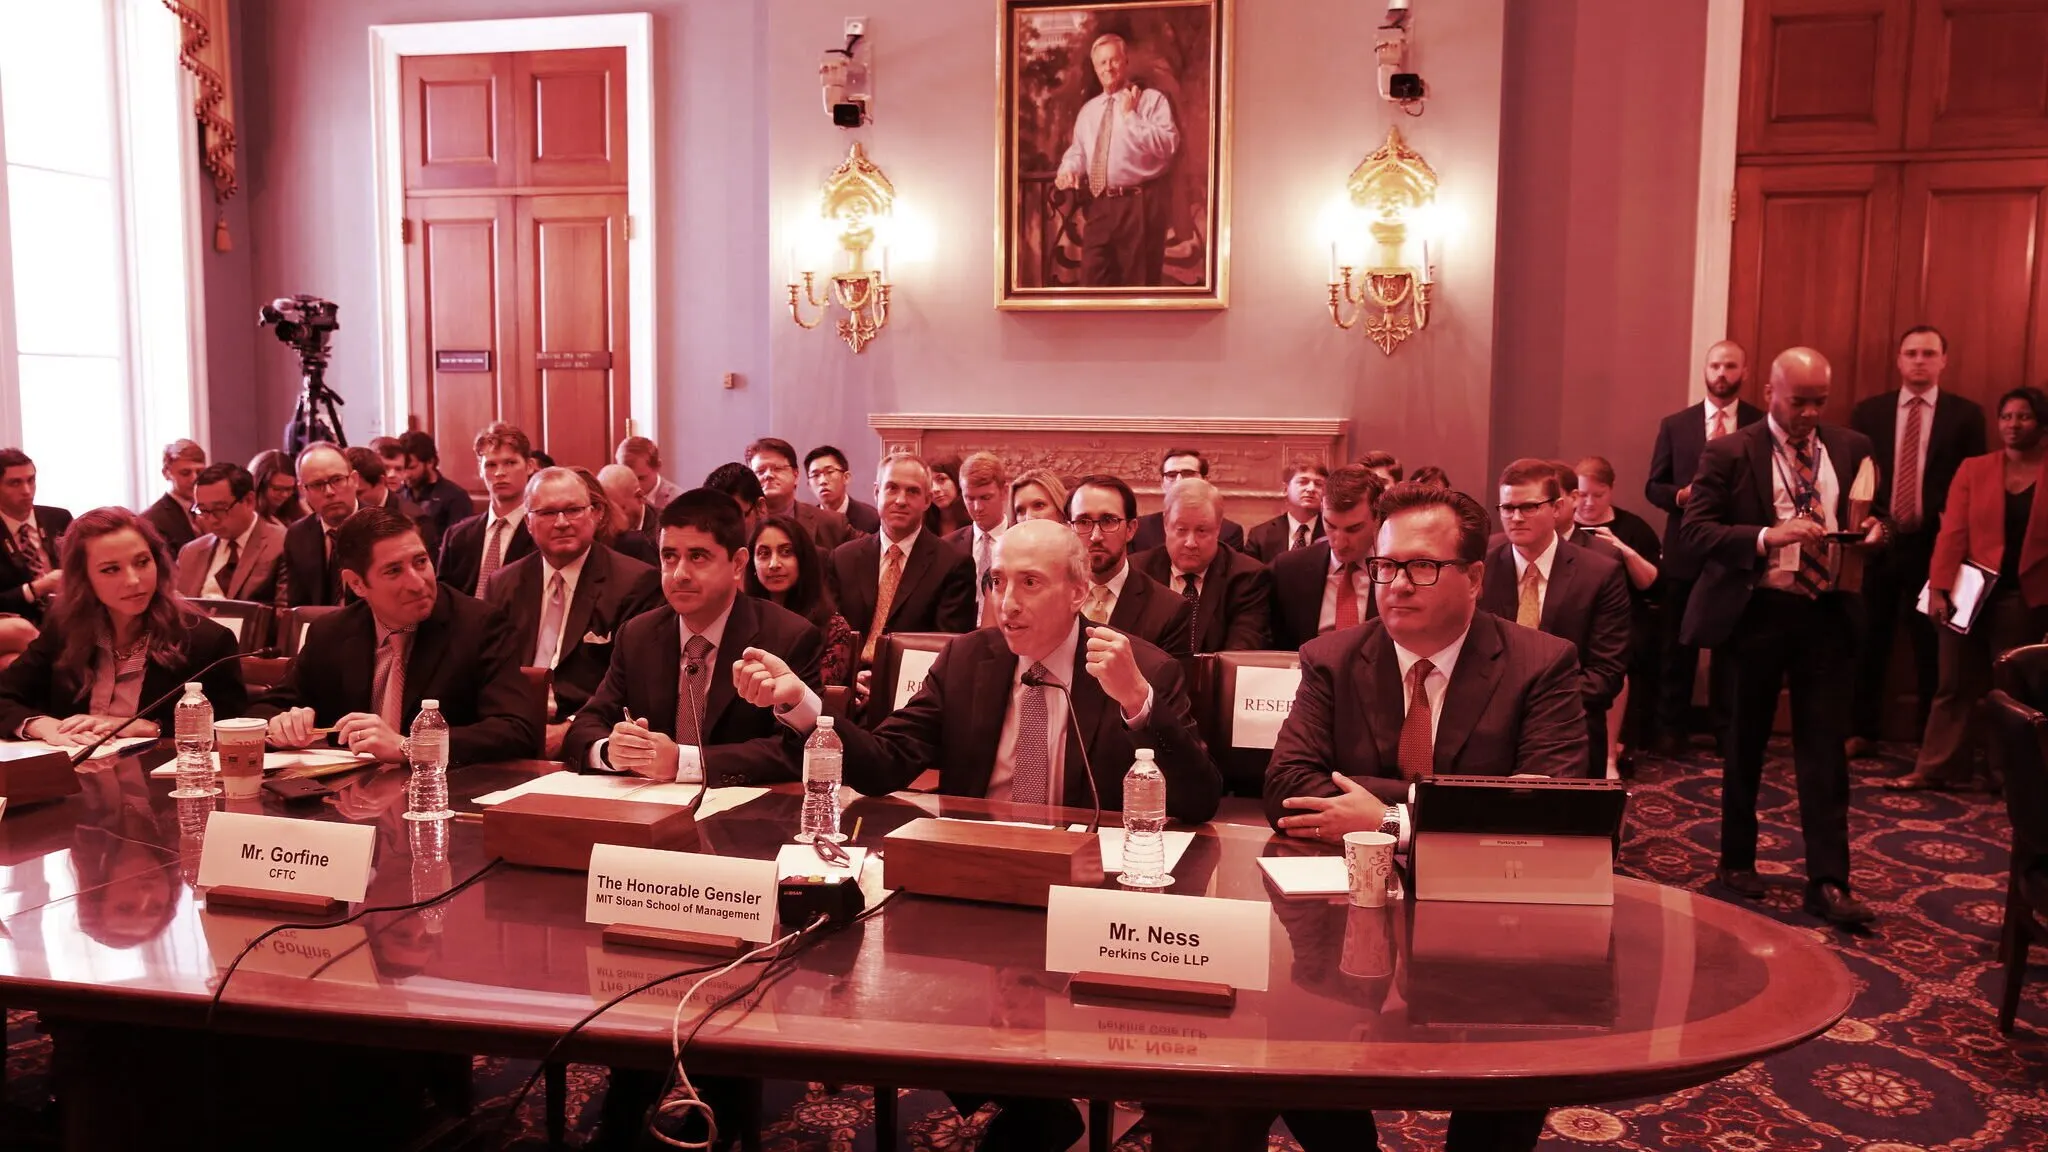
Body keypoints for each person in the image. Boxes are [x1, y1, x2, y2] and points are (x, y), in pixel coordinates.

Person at [1261, 483, 1582, 1152]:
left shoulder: (1541, 665)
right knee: (1291, 1052)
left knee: (1508, 1080)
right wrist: (1469, 802)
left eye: (1421, 567)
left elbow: (1549, 812)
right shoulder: (1332, 657)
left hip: (1494, 916)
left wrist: (1386, 816)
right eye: (1385, 566)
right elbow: (1289, 788)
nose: (1396, 585)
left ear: (1472, 577)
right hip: (1344, 916)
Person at [1680, 346, 1887, 927]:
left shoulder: (1851, 447)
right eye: (1800, 401)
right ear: (1771, 391)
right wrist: (1770, 535)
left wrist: (1875, 533)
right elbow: (1698, 532)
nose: (1811, 413)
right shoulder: (1727, 451)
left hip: (1827, 614)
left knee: (1824, 751)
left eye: (1820, 400)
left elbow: (1880, 516)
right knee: (1745, 743)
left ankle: (1828, 880)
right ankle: (1736, 860)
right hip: (1757, 612)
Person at [563, 489, 823, 786]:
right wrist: (612, 752)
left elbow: (796, 750)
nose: (679, 575)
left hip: (745, 815)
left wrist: (683, 762)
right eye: (669, 557)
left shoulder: (788, 636)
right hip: (648, 808)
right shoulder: (637, 634)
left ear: (738, 563)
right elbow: (585, 726)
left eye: (698, 557)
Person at [252, 505, 539, 764]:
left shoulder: (478, 625)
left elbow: (517, 729)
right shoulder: (331, 632)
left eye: (420, 562)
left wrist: (411, 747)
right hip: (350, 800)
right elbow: (266, 707)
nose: (417, 583)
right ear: (357, 584)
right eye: (393, 571)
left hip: (444, 795)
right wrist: (281, 725)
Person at [1901, 385, 2048, 791]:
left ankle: (2008, 776)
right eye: (2006, 417)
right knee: (1952, 684)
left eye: (2024, 416)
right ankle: (1937, 768)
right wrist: (1939, 589)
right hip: (1968, 593)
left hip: (2025, 597)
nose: (2013, 425)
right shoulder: (1975, 468)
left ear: (2041, 423)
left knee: (2010, 692)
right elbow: (1952, 533)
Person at [1849, 325, 1986, 756]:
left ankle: (1930, 739)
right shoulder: (1868, 413)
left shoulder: (1966, 416)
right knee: (1869, 637)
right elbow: (1857, 478)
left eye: (1929, 353)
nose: (1920, 360)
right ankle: (1862, 730)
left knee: (1934, 647)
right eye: (1911, 353)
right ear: (1899, 360)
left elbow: (1975, 483)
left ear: (1944, 360)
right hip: (1880, 541)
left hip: (1938, 545)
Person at [0, 507, 246, 744]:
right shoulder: (65, 629)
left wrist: (152, 728)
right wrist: (43, 726)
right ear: (83, 578)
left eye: (142, 562)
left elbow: (235, 728)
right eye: (111, 569)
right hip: (75, 780)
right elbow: (5, 695)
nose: (133, 580)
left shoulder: (207, 641)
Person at [484, 469, 662, 758]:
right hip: (512, 739)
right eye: (548, 513)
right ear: (528, 522)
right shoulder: (504, 583)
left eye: (573, 510)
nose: (562, 523)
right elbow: (490, 674)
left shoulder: (635, 583)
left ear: (595, 513)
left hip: (589, 742)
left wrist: (570, 728)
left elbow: (635, 684)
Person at [1643, 340, 1763, 754]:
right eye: (1715, 365)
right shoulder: (1677, 425)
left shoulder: (1760, 424)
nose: (1722, 373)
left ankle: (1729, 730)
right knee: (1677, 646)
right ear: (1705, 370)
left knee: (1735, 648)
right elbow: (1653, 486)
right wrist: (1681, 497)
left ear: (1745, 372)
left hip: (1740, 551)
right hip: (1685, 551)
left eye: (1731, 365)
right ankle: (1671, 729)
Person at [1481, 458, 1632, 778]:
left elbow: (1607, 674)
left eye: (1529, 507)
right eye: (1507, 508)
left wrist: (1534, 703)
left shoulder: (1600, 572)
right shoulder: (1480, 565)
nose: (1516, 517)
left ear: (1558, 507)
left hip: (1569, 724)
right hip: (1484, 723)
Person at [1051, 32, 1181, 288]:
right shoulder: (1089, 111)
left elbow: (1168, 146)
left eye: (1114, 60)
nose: (1108, 68)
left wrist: (1131, 116)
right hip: (1100, 206)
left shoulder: (1151, 101)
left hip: (1139, 206)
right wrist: (1069, 169)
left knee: (1138, 290)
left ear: (1126, 62)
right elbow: (1079, 151)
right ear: (1095, 68)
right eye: (1102, 63)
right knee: (1092, 286)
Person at [829, 453, 978, 666]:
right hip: (849, 683)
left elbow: (945, 649)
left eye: (912, 491)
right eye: (892, 488)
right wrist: (852, 677)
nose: (900, 500)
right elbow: (831, 637)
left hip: (912, 688)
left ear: (927, 500)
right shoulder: (843, 559)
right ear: (876, 492)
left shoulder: (953, 565)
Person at [1574, 455, 1663, 772]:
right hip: (1575, 614)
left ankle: (1610, 754)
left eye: (1597, 495)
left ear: (1610, 491)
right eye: (1581, 495)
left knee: (1615, 658)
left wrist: (1621, 549)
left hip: (1623, 616)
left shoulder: (1633, 528)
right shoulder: (1562, 524)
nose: (1588, 503)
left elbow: (1650, 583)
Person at [1133, 477, 1271, 651]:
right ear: (1166, 525)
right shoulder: (1138, 571)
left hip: (1215, 677)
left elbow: (1241, 653)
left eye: (1202, 531)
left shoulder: (1247, 577)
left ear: (1218, 529)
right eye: (1181, 530)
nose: (1191, 542)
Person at [1071, 474, 1192, 658]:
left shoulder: (1169, 611)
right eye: (1083, 522)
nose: (1095, 536)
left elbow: (1171, 686)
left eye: (1108, 521)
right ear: (1069, 528)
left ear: (1131, 529)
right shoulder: (1050, 598)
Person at [1268, 465, 1384, 651]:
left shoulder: (1396, 572)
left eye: (1353, 529)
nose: (1339, 542)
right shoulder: (1288, 569)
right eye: (1330, 525)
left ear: (1378, 518)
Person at [745, 515, 856, 687]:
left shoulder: (834, 628)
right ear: (752, 564)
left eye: (786, 552)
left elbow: (817, 695)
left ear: (804, 560)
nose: (774, 564)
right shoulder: (739, 619)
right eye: (764, 554)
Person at [438, 422, 538, 597]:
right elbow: (443, 598)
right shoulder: (457, 535)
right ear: (480, 470)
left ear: (529, 466)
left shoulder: (541, 532)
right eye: (491, 465)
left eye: (510, 463)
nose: (500, 472)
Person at [175, 462, 288, 608]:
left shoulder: (281, 543)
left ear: (249, 501)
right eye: (203, 510)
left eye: (220, 509)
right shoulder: (190, 552)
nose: (212, 520)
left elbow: (285, 615)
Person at [282, 442, 361, 607]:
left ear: (354, 480)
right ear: (303, 491)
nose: (329, 492)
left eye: (337, 480)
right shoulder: (297, 535)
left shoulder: (382, 528)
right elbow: (297, 606)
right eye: (317, 485)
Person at [0, 447, 70, 624]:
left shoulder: (59, 518)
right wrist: (36, 588)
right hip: (20, 621)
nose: (27, 490)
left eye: (31, 480)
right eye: (15, 483)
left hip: (70, 614)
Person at [747, 437, 852, 552]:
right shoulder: (739, 524)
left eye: (777, 469)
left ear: (796, 475)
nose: (768, 475)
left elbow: (870, 550)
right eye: (760, 471)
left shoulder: (831, 523)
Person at [1130, 449, 1245, 553]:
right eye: (1171, 475)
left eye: (1188, 474)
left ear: (1205, 480)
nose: (1179, 480)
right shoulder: (1140, 529)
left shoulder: (1229, 531)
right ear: (1162, 483)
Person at [949, 451, 1010, 626]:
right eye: (970, 498)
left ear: (1004, 492)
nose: (977, 507)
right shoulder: (948, 547)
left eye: (985, 498)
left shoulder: (1022, 543)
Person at [396, 430, 475, 555]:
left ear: (430, 462)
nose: (406, 475)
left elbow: (459, 546)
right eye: (402, 468)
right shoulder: (397, 494)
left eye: (411, 468)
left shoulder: (456, 497)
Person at [1243, 460, 1327, 562]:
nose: (1311, 488)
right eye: (1303, 482)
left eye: (1318, 484)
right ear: (1285, 489)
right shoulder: (1260, 535)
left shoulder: (1332, 532)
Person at [141, 439, 206, 555]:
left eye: (200, 472)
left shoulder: (210, 511)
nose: (194, 479)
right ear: (166, 473)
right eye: (185, 473)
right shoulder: (152, 520)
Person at [804, 444, 880, 534]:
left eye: (829, 472)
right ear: (809, 485)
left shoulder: (871, 519)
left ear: (846, 477)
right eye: (815, 475)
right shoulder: (805, 524)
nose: (822, 481)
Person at [615, 434, 685, 517]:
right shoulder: (613, 500)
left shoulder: (679, 502)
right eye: (627, 478)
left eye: (641, 478)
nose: (634, 486)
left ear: (657, 466)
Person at [249, 449, 308, 526]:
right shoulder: (247, 516)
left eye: (289, 489)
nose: (285, 495)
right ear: (260, 485)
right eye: (277, 489)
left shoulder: (297, 511)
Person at [598, 462, 658, 537]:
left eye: (618, 509)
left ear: (639, 497)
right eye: (605, 509)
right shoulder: (599, 530)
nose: (611, 518)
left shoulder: (663, 531)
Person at [924, 454, 972, 537]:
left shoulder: (975, 522)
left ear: (957, 480)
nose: (935, 489)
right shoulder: (923, 524)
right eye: (930, 483)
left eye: (941, 479)